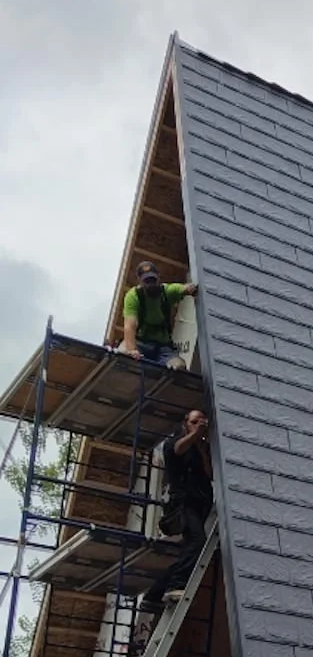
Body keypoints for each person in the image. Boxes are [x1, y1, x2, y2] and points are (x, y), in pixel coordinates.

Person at [145, 409, 214, 606]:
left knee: (191, 551)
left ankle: (153, 595)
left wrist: (202, 447)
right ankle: (175, 585)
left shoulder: (202, 448)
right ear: (185, 424)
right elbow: (177, 449)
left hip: (200, 503)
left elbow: (209, 474)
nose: (198, 425)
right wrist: (195, 435)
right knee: (198, 542)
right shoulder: (174, 442)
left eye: (202, 422)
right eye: (194, 422)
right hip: (184, 504)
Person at [120, 260, 198, 369]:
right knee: (122, 354)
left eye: (153, 280)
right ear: (140, 281)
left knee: (179, 366)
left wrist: (190, 288)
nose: (151, 284)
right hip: (141, 343)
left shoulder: (166, 292)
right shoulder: (133, 296)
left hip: (163, 348)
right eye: (147, 281)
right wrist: (132, 350)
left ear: (158, 277)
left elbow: (183, 288)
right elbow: (129, 326)